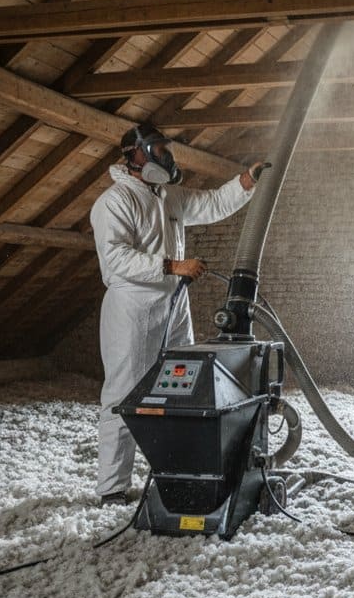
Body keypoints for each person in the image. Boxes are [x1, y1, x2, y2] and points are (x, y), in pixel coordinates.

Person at [89, 123, 263, 506]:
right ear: (134, 155)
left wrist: (245, 182)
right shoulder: (115, 202)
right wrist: (172, 266)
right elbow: (115, 259)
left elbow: (212, 204)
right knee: (123, 393)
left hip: (172, 303)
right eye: (156, 148)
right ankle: (112, 487)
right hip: (132, 308)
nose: (164, 156)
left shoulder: (168, 195)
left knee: (183, 389)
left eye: (165, 149)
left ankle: (177, 470)